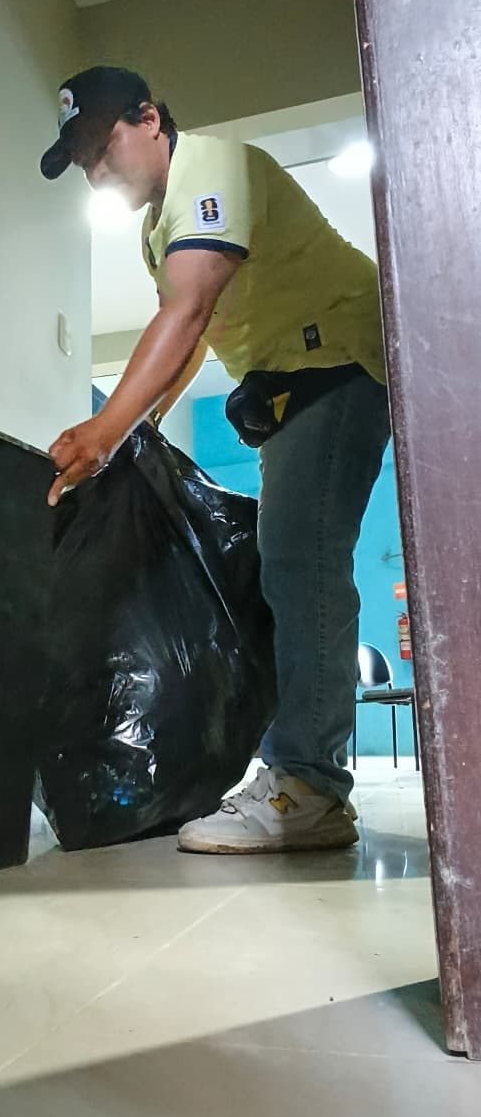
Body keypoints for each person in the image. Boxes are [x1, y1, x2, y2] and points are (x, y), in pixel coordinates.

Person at [40, 66, 390, 855]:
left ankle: (309, 785)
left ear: (150, 119)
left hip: (338, 363)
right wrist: (144, 427)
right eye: (84, 162)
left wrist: (104, 434)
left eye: (102, 146)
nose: (97, 171)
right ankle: (303, 776)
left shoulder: (214, 167)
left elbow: (188, 309)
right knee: (287, 561)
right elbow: (192, 334)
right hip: (294, 384)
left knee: (300, 561)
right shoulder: (157, 227)